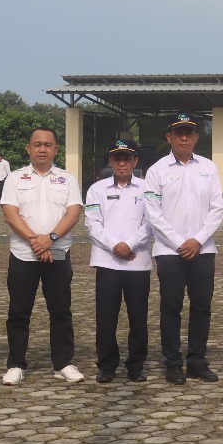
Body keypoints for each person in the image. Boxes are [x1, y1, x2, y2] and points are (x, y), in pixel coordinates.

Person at [0, 127, 85, 385]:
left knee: (60, 311)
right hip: (23, 254)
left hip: (58, 254)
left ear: (56, 149)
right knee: (18, 312)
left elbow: (73, 213)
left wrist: (51, 238)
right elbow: (10, 213)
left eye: (48, 145)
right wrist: (36, 241)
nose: (42, 149)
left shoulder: (67, 178)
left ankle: (63, 363)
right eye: (37, 144)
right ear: (28, 148)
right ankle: (15, 364)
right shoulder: (15, 178)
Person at [145, 113, 223, 385]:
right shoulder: (157, 171)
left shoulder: (209, 168)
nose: (183, 137)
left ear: (196, 137)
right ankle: (173, 361)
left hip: (203, 250)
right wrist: (180, 242)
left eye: (188, 132)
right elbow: (153, 213)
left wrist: (198, 240)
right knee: (171, 307)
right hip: (170, 252)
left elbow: (217, 208)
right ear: (169, 137)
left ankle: (197, 360)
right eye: (178, 132)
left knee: (202, 307)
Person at [84, 140, 152, 383]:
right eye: (117, 159)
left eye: (127, 158)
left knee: (138, 317)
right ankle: (107, 364)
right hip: (107, 261)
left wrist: (130, 244)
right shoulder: (97, 189)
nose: (122, 163)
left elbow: (152, 222)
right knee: (106, 317)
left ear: (135, 162)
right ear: (110, 162)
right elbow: (93, 223)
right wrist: (115, 246)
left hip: (138, 262)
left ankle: (136, 365)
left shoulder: (147, 188)